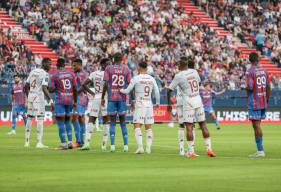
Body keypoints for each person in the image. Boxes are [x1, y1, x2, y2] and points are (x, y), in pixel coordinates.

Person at [167, 58, 216, 158]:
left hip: (188, 102)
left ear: (180, 66)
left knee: (189, 126)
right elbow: (198, 83)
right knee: (203, 125)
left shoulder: (178, 76)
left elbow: (169, 90)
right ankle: (209, 149)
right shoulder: (194, 71)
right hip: (198, 99)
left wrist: (169, 104)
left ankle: (191, 151)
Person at [120, 61, 160, 154]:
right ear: (146, 68)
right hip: (149, 103)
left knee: (137, 125)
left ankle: (140, 147)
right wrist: (157, 103)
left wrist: (120, 90)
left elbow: (127, 91)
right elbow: (157, 92)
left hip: (140, 103)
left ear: (139, 67)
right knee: (148, 127)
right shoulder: (151, 78)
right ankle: (148, 148)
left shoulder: (136, 78)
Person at [101, 53, 132, 152]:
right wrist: (133, 99)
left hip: (111, 98)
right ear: (122, 59)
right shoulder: (126, 69)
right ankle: (126, 146)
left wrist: (102, 97)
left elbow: (105, 83)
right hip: (122, 98)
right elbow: (130, 84)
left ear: (113, 59)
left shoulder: (108, 68)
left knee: (112, 122)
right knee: (123, 122)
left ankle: (112, 146)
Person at [80, 58, 110, 151]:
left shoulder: (94, 73)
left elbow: (84, 84)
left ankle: (87, 143)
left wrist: (92, 93)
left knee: (92, 119)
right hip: (104, 99)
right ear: (103, 65)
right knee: (105, 120)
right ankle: (104, 146)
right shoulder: (108, 74)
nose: (109, 66)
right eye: (108, 64)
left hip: (96, 97)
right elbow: (106, 86)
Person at [245, 52, 270, 157]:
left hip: (254, 102)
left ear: (250, 60)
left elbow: (250, 87)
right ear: (258, 60)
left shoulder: (250, 71)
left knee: (256, 126)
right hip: (263, 101)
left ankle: (260, 151)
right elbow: (268, 86)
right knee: (258, 125)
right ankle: (260, 150)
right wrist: (266, 100)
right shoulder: (264, 71)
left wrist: (245, 87)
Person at [24, 58, 53, 148]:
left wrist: (28, 97)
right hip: (38, 97)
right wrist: (51, 100)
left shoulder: (33, 71)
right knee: (40, 118)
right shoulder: (45, 74)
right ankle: (39, 142)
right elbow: (44, 88)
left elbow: (26, 86)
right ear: (43, 64)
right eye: (49, 64)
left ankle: (27, 142)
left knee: (29, 118)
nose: (50, 66)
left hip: (31, 96)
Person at [50, 58, 78, 150]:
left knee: (60, 122)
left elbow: (52, 89)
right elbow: (75, 88)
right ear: (64, 65)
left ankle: (63, 144)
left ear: (57, 65)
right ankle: (70, 143)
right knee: (67, 121)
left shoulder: (55, 75)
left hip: (60, 100)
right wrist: (75, 101)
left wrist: (47, 87)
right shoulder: (71, 74)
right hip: (70, 100)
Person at [72, 59, 88, 148]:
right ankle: (81, 141)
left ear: (79, 65)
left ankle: (79, 141)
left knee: (75, 118)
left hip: (80, 98)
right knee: (80, 119)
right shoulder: (76, 74)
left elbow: (83, 86)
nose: (73, 67)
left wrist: (74, 93)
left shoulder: (83, 74)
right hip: (78, 98)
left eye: (74, 65)